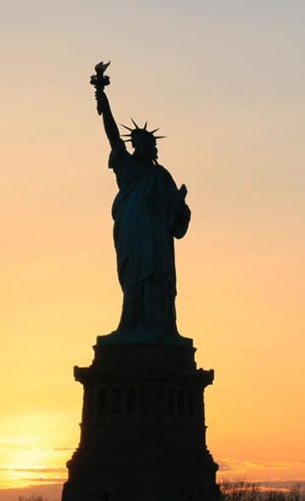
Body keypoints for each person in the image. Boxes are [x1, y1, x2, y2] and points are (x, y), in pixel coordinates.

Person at [94, 85, 191, 343]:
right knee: (133, 279)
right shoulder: (126, 167)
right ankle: (131, 325)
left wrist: (179, 203)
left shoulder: (161, 176)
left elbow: (176, 215)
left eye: (146, 145)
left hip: (156, 239)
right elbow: (113, 136)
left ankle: (159, 327)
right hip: (132, 233)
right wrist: (104, 102)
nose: (141, 147)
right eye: (138, 144)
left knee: (157, 279)